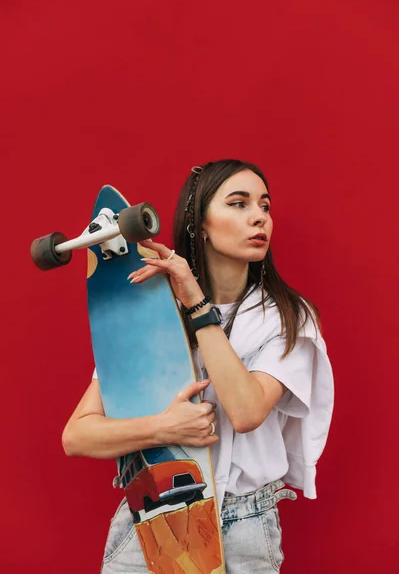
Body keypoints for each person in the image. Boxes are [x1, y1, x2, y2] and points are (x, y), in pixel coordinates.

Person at [62, 159, 334, 573]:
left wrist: (195, 302)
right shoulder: (152, 313)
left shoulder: (286, 316)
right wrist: (163, 429)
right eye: (239, 204)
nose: (259, 217)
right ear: (200, 223)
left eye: (265, 206)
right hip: (150, 521)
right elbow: (77, 436)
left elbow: (246, 413)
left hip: (244, 528)